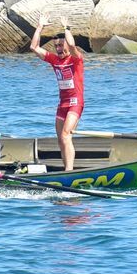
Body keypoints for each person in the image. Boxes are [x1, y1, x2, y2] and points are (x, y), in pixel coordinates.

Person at [31, 16, 85, 172]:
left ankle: (69, 171)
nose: (59, 49)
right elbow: (34, 47)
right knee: (61, 140)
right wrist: (40, 26)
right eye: (56, 46)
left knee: (67, 134)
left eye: (61, 45)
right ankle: (65, 169)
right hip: (62, 104)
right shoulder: (54, 59)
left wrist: (67, 28)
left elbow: (73, 44)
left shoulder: (76, 59)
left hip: (76, 102)